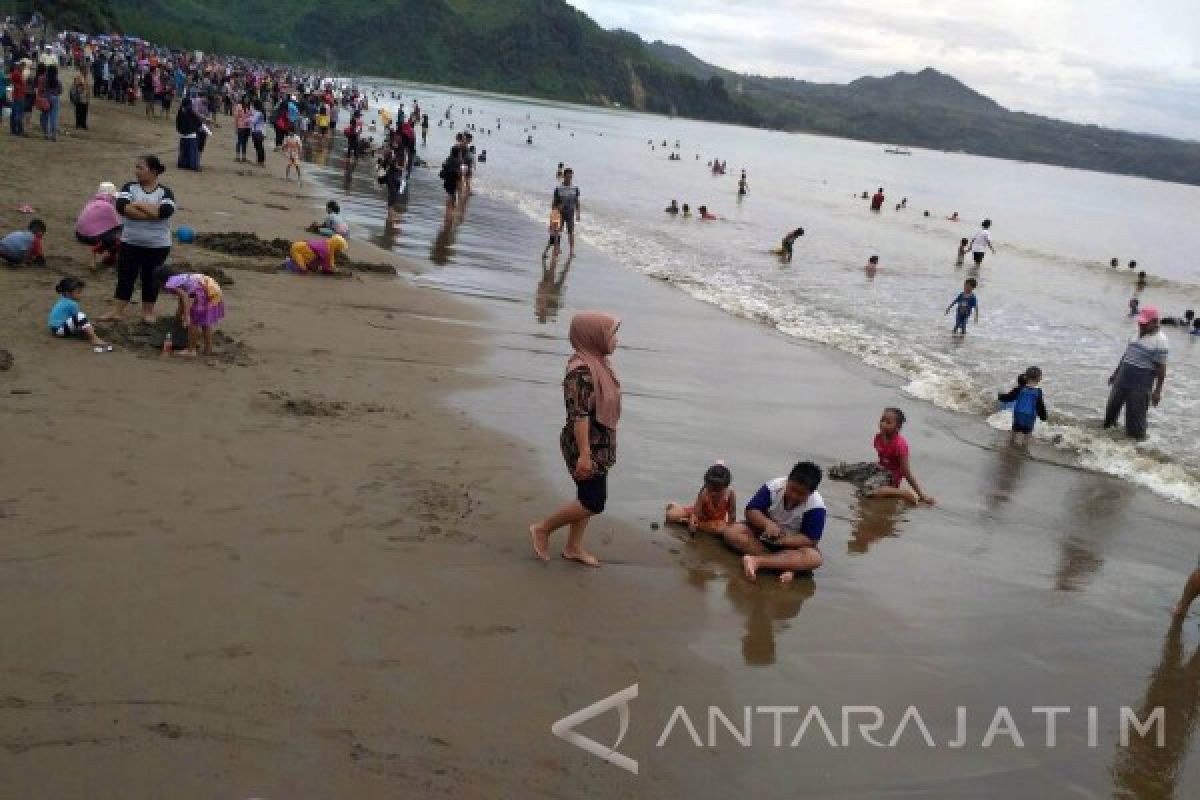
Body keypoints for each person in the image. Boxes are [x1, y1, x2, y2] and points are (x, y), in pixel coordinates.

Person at [529, 311, 622, 567]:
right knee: (593, 502)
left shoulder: (598, 363)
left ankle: (573, 547)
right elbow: (579, 415)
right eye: (612, 334)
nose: (616, 340)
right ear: (594, 337)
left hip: (598, 444)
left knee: (585, 497)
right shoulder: (581, 371)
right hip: (585, 445)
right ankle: (543, 529)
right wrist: (584, 455)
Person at [721, 461, 827, 583]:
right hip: (763, 537)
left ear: (811, 493)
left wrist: (784, 541)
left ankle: (757, 561)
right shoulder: (773, 487)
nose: (794, 495)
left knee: (814, 558)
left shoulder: (816, 507)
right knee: (732, 532)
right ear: (788, 481)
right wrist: (767, 523)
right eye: (791, 489)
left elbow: (811, 539)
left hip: (791, 546)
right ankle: (786, 566)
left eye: (800, 494)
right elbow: (751, 510)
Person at [101, 155, 176, 324]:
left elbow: (164, 212)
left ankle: (148, 312)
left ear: (153, 171)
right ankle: (117, 310)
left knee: (151, 278)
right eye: (136, 167)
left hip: (158, 245)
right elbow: (122, 207)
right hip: (130, 242)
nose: (136, 171)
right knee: (125, 276)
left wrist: (138, 205)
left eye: (140, 168)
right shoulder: (129, 187)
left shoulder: (165, 192)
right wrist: (150, 212)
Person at [829, 408, 936, 505]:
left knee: (867, 491)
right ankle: (876, 483)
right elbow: (882, 460)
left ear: (897, 428)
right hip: (878, 468)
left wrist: (922, 495)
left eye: (888, 422)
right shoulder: (878, 437)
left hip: (891, 476)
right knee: (838, 471)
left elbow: (906, 471)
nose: (883, 424)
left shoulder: (900, 445)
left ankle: (902, 493)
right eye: (882, 420)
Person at [1104, 307, 1168, 440]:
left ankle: (1136, 452)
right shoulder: (1135, 334)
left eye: (1145, 324)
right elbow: (1126, 355)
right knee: (1109, 417)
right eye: (1140, 323)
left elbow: (1161, 369)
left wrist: (1157, 391)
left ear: (1155, 322)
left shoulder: (1160, 341)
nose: (1141, 325)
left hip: (1140, 386)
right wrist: (1115, 373)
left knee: (1135, 426)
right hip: (1121, 380)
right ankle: (1107, 443)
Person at [155, 268, 225, 356]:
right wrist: (177, 317)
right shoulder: (181, 278)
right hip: (213, 289)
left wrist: (187, 315)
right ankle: (208, 349)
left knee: (193, 322)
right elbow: (182, 302)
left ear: (161, 281)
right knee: (204, 322)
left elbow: (185, 297)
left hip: (203, 291)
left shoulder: (169, 284)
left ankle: (191, 350)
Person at [665, 462, 737, 535]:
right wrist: (693, 522)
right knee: (670, 515)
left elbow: (732, 516)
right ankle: (678, 509)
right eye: (711, 489)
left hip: (716, 521)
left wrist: (730, 530)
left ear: (725, 487)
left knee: (720, 529)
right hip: (700, 515)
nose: (713, 493)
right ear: (707, 484)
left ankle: (686, 521)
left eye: (718, 490)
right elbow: (695, 513)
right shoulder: (704, 492)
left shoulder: (730, 494)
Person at [47, 276, 109, 349]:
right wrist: (89, 327)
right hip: (59, 329)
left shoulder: (64, 300)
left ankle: (90, 333)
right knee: (80, 316)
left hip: (55, 328)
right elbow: (78, 319)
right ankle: (94, 338)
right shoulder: (71, 304)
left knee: (82, 320)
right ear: (67, 293)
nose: (81, 295)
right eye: (78, 292)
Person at [75, 182, 122, 268]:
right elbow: (118, 225)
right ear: (110, 196)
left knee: (113, 232)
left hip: (79, 234)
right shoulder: (108, 206)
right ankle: (108, 256)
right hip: (90, 238)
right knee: (119, 236)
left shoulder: (92, 202)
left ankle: (111, 257)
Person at [998, 367, 1049, 446]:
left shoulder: (1020, 388)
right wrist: (1043, 416)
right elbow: (1040, 405)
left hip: (1018, 414)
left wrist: (1001, 397)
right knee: (1027, 433)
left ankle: (1011, 443)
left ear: (1026, 377)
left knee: (1015, 429)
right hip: (1030, 416)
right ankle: (1024, 446)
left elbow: (1010, 397)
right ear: (1039, 378)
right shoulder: (1038, 392)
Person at [283, 234, 347, 275]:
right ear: (336, 246)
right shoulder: (326, 250)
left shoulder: (328, 243)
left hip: (303, 247)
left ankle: (296, 261)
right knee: (303, 270)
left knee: (314, 267)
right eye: (339, 248)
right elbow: (326, 268)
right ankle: (288, 262)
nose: (339, 250)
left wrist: (333, 268)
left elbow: (330, 260)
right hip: (297, 249)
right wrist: (335, 271)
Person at [552, 168, 581, 257]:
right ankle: (556, 248)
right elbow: (554, 203)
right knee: (557, 231)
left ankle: (571, 251)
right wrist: (554, 215)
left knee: (571, 232)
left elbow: (577, 201)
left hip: (570, 213)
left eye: (571, 177)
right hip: (559, 213)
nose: (569, 178)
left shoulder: (575, 188)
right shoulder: (558, 189)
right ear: (564, 176)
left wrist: (578, 213)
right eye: (568, 176)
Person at [175, 98, 203, 171]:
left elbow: (177, 122)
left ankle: (182, 164)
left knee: (183, 151)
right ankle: (193, 166)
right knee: (192, 151)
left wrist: (180, 130)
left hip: (183, 134)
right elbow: (198, 121)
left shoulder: (180, 111)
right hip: (191, 135)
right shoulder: (191, 111)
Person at [250, 99, 267, 167]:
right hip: (260, 131)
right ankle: (261, 161)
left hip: (257, 132)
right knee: (260, 147)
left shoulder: (258, 113)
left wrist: (249, 117)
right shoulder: (261, 112)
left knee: (258, 147)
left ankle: (260, 161)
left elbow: (253, 121)